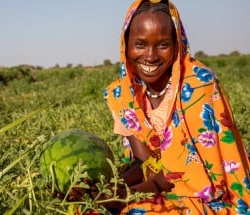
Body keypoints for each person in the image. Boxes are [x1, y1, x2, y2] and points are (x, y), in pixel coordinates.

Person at [103, 0, 250, 214]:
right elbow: (145, 162)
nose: (151, 56)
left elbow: (187, 170)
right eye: (140, 44)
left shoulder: (198, 85)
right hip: (155, 187)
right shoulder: (122, 94)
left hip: (205, 193)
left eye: (163, 45)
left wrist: (127, 196)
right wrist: (108, 189)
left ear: (178, 44)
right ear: (126, 45)